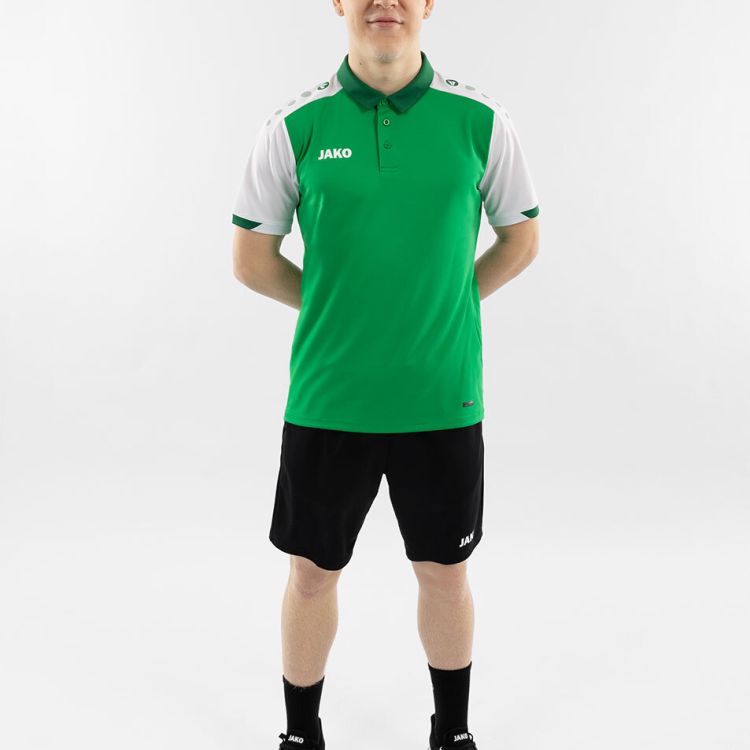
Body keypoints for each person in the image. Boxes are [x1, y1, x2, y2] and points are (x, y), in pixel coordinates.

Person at [231, 1, 540, 748]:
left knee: (445, 571)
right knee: (311, 573)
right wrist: (343, 308)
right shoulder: (294, 127)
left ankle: (452, 732)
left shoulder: (481, 121)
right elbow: (251, 260)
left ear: (429, 4)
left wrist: (447, 303)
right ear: (338, 3)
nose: (385, 2)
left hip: (441, 397)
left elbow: (521, 239)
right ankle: (300, 734)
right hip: (329, 398)